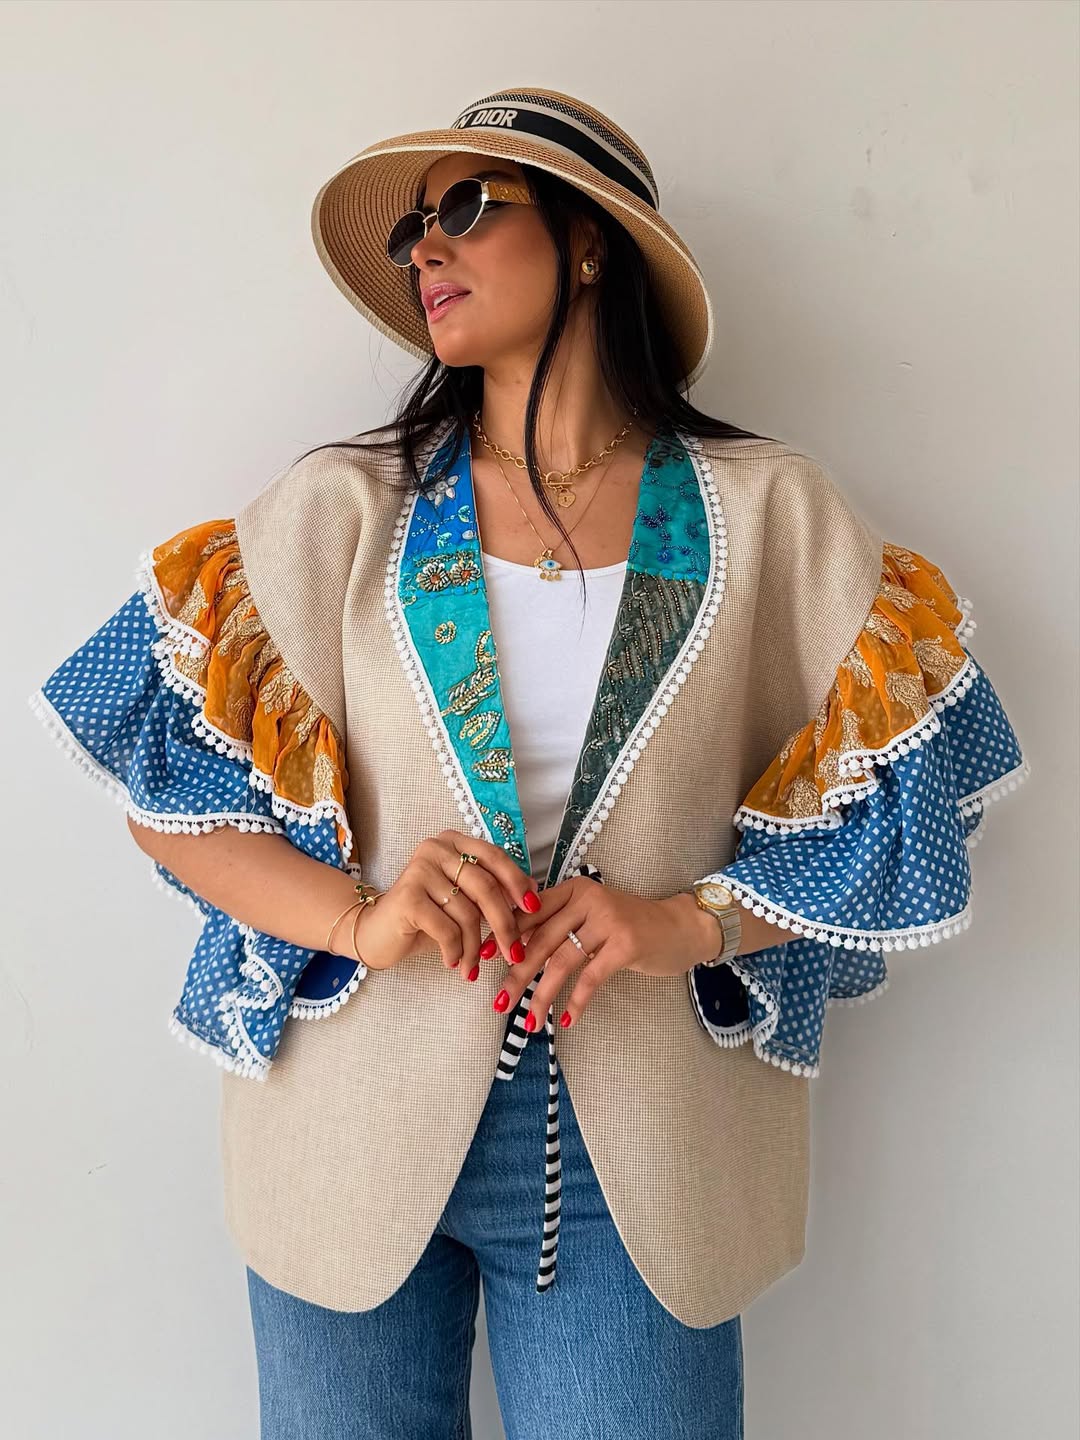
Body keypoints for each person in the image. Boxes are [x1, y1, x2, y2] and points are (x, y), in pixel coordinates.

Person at [28, 87, 1028, 1439]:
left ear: (592, 240)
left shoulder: (766, 516)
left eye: (466, 207)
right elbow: (168, 799)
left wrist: (687, 921)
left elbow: (909, 808)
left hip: (645, 1155)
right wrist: (361, 921)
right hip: (349, 1129)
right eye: (412, 233)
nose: (426, 249)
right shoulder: (348, 509)